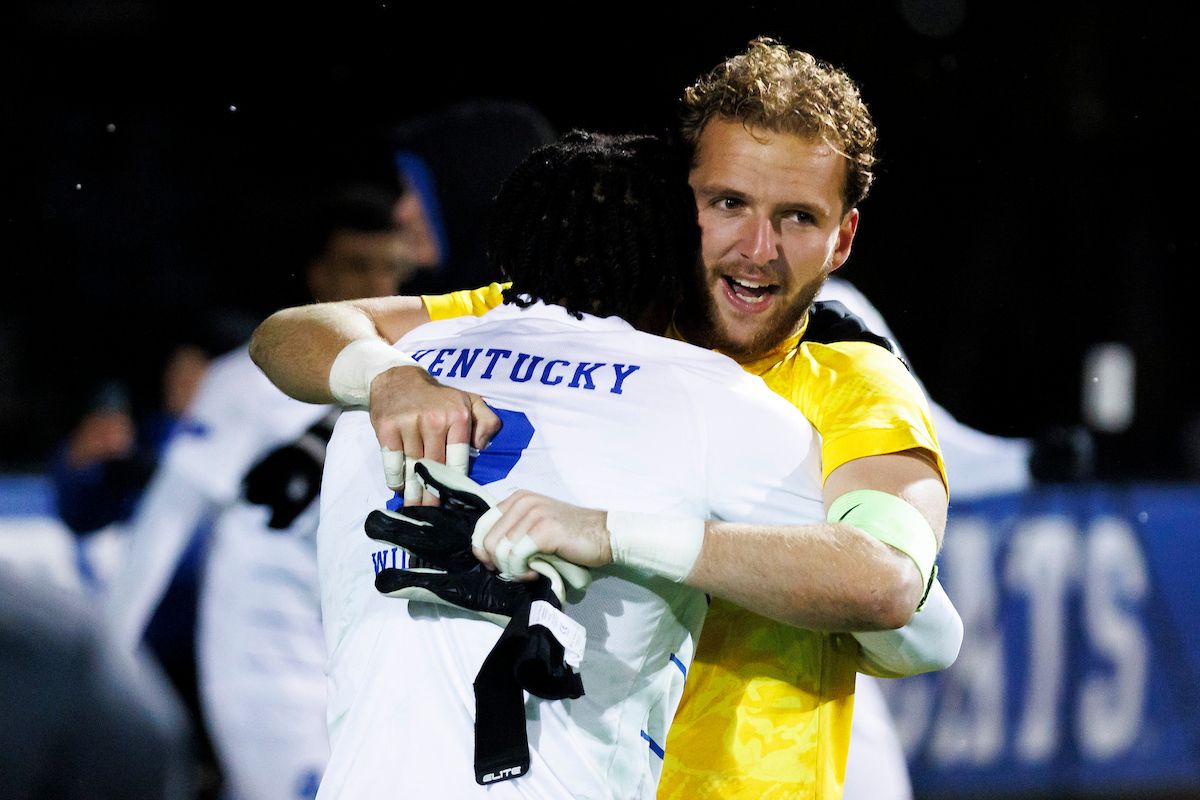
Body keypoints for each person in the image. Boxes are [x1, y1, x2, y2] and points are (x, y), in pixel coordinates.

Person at [247, 38, 953, 799]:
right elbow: (290, 333)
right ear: (678, 205)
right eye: (729, 204)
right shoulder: (572, 310)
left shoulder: (855, 385)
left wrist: (612, 534)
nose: (759, 249)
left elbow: (900, 595)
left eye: (798, 218)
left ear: (842, 239)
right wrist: (389, 378)